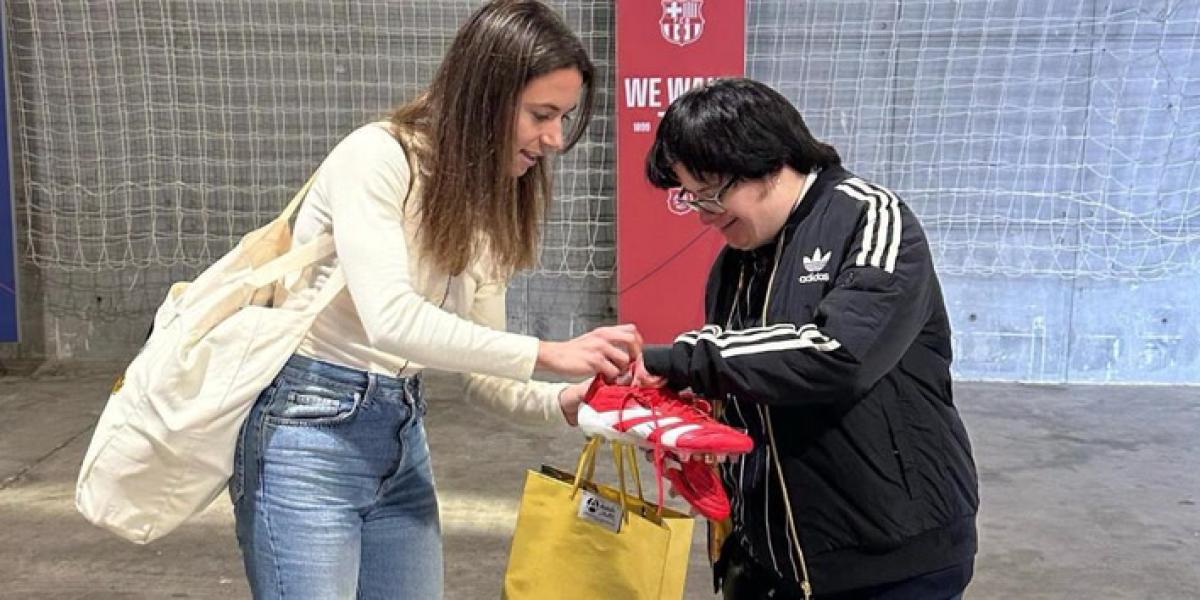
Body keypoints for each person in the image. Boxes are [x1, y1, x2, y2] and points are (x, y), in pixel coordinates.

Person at [228, 2, 641, 598]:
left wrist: (570, 403)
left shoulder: (493, 201)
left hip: (400, 440)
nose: (554, 139)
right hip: (306, 440)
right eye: (540, 115)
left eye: (564, 118)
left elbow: (484, 374)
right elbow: (391, 320)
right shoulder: (376, 156)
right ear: (485, 95)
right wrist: (552, 352)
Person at [633, 78, 979, 599]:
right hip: (767, 560)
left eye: (712, 192)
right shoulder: (734, 264)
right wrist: (685, 422)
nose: (705, 214)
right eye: (692, 197)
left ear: (767, 162)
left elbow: (839, 353)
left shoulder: (870, 217)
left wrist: (679, 359)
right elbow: (743, 381)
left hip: (891, 562)